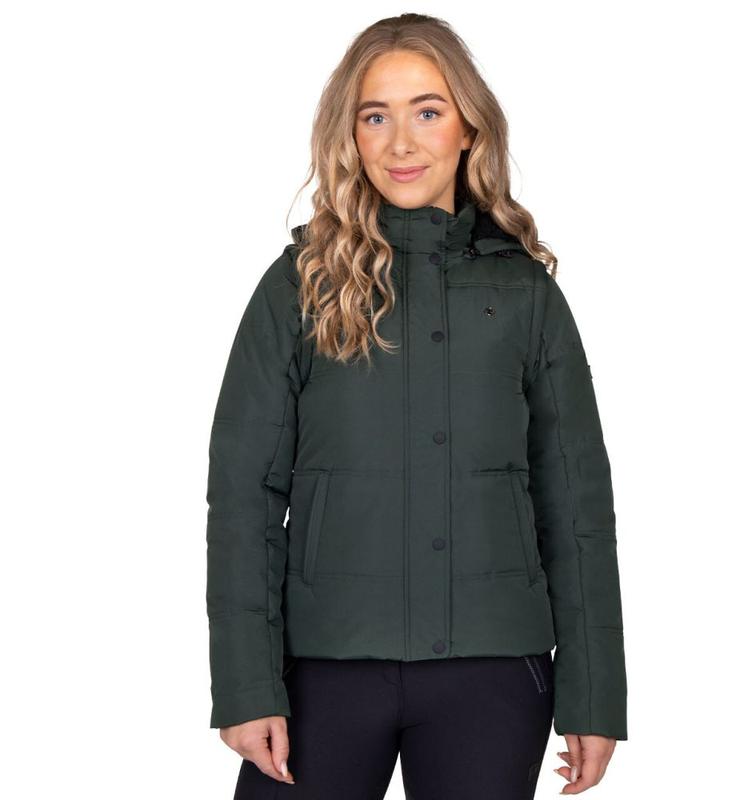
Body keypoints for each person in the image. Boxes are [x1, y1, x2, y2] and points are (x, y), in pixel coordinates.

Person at [205, 13, 627, 800]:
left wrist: (595, 694)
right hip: (323, 667)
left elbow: (575, 503)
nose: (401, 142)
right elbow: (242, 495)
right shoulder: (298, 285)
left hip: (492, 673)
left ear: (469, 128)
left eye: (427, 112)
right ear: (351, 135)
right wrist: (245, 685)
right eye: (376, 116)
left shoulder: (525, 294)